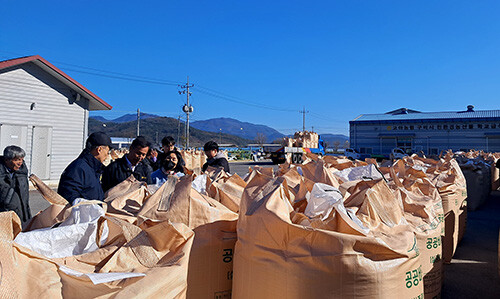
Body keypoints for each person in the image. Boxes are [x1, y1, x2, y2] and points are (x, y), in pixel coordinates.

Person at [58, 132, 112, 204]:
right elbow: (68, 197)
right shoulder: (78, 168)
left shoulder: (93, 169)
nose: (107, 156)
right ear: (99, 150)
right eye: (107, 152)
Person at [0, 145, 31, 222]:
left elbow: (25, 197)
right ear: (7, 160)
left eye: (22, 160)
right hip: (4, 215)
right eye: (17, 160)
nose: (20, 163)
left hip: (22, 213)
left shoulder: (22, 172)